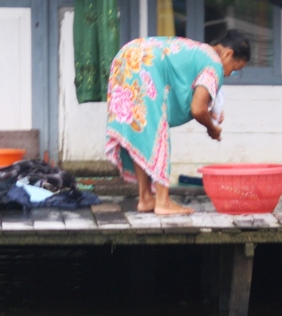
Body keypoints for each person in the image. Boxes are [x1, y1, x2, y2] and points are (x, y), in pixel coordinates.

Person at [105, 29, 250, 215]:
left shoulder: (199, 51)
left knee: (143, 130)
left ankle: (146, 198)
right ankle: (162, 201)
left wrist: (211, 109)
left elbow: (196, 95)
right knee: (157, 129)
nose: (228, 74)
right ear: (228, 54)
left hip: (126, 56)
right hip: (144, 63)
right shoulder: (215, 63)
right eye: (234, 69)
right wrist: (212, 129)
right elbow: (197, 108)